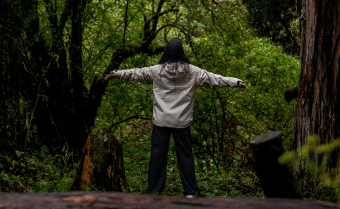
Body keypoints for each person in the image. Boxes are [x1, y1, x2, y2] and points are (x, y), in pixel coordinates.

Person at [104, 37, 247, 197]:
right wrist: (236, 82)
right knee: (185, 156)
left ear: (166, 52)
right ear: (181, 52)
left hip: (161, 122)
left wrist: (117, 74)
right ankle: (190, 192)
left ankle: (154, 191)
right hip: (181, 123)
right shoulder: (193, 71)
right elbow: (214, 79)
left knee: (157, 156)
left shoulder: (156, 70)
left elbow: (136, 73)